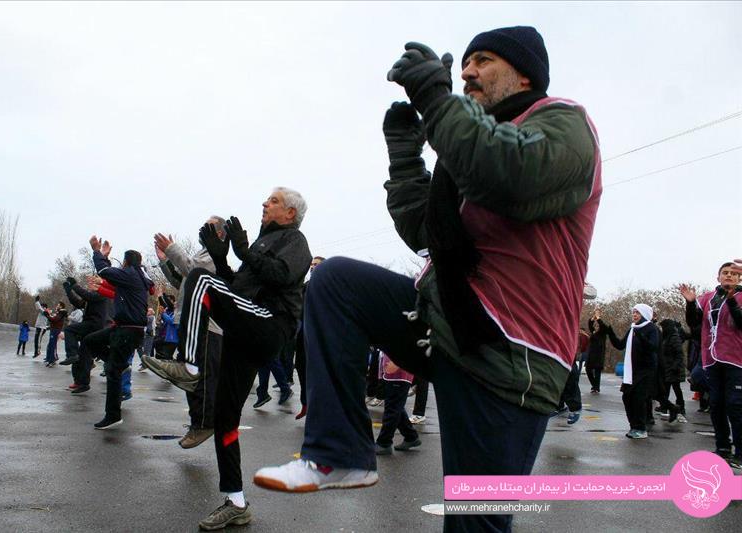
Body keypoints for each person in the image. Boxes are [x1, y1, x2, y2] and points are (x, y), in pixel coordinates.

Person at [253, 26, 602, 533]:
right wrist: (405, 150)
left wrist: (437, 103)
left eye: (483, 61)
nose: (467, 73)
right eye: (463, 65)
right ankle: (340, 453)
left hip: (513, 360)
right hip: (449, 325)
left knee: (473, 526)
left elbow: (513, 172)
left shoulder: (562, 122)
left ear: (525, 72)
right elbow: (426, 229)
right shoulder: (466, 150)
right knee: (336, 283)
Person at [142, 188, 311, 530]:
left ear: (290, 213)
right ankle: (235, 501)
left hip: (269, 323)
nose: (265, 203)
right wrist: (222, 260)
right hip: (244, 329)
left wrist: (244, 251)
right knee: (225, 418)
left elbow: (281, 276)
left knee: (198, 278)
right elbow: (237, 289)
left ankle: (189, 366)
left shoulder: (296, 240)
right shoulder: (262, 243)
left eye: (274, 201)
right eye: (267, 199)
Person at [153, 219, 225, 449]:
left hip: (206, 326)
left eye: (210, 226)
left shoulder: (214, 256)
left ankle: (205, 423)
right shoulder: (203, 253)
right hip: (190, 322)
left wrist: (172, 250)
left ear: (221, 233)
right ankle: (198, 423)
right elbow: (181, 281)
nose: (203, 229)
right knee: (190, 377)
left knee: (200, 377)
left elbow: (193, 270)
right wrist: (165, 261)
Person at [83, 236, 153, 429]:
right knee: (90, 340)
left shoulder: (130, 273)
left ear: (126, 261)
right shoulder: (137, 276)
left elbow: (105, 271)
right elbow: (114, 287)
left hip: (129, 330)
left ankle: (113, 415)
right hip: (123, 328)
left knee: (112, 371)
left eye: (123, 262)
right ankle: (119, 365)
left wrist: (98, 252)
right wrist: (101, 285)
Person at [680, 260, 742, 468]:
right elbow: (694, 324)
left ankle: (740, 452)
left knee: (735, 405)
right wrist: (690, 303)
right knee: (716, 405)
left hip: (736, 360)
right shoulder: (708, 298)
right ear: (718, 277)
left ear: (739, 277)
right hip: (712, 360)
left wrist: (732, 300)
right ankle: (722, 447)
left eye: (733, 273)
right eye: (725, 273)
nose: (729, 276)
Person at [606, 304, 660, 439]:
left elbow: (653, 347)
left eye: (638, 313)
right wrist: (610, 332)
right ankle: (633, 426)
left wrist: (641, 336)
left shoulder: (651, 328)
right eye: (634, 312)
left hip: (646, 370)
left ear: (644, 314)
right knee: (627, 397)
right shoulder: (633, 328)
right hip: (632, 371)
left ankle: (641, 428)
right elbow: (620, 345)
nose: (634, 315)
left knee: (639, 399)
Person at [61, 276, 111, 394]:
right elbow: (78, 303)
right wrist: (69, 291)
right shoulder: (93, 295)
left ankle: (72, 354)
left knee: (69, 330)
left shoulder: (102, 294)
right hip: (90, 324)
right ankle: (82, 383)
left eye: (93, 282)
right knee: (85, 355)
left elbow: (88, 296)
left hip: (95, 324)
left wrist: (74, 285)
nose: (91, 284)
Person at [294, 256, 325, 420]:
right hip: (302, 333)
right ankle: (306, 403)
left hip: (319, 335)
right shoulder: (305, 286)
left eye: (317, 265)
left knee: (317, 372)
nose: (313, 267)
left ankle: (317, 406)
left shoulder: (328, 287)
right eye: (312, 264)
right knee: (301, 366)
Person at [375, 351, 421, 455]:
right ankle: (411, 437)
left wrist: (397, 362)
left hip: (398, 373)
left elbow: (408, 343)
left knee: (392, 409)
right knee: (395, 407)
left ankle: (384, 443)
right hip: (393, 372)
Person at [658, 318, 687, 423]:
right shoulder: (666, 337)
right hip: (668, 367)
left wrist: (675, 366)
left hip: (674, 368)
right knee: (666, 389)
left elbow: (679, 354)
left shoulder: (674, 338)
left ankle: (680, 407)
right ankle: (666, 407)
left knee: (676, 389)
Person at [586, 309, 612, 394]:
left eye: (598, 326)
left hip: (598, 355)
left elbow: (603, 326)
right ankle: (594, 385)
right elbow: (590, 324)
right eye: (595, 326)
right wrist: (593, 317)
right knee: (588, 370)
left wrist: (598, 318)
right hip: (591, 355)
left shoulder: (603, 333)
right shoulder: (593, 332)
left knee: (597, 372)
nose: (596, 327)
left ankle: (596, 388)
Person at [43, 302, 67, 367]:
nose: (57, 306)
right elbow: (53, 319)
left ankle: (52, 360)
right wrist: (48, 315)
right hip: (53, 329)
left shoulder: (61, 313)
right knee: (51, 344)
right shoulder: (58, 313)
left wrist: (47, 315)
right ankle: (50, 359)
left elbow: (54, 320)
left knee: (52, 345)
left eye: (58, 305)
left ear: (61, 306)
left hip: (56, 330)